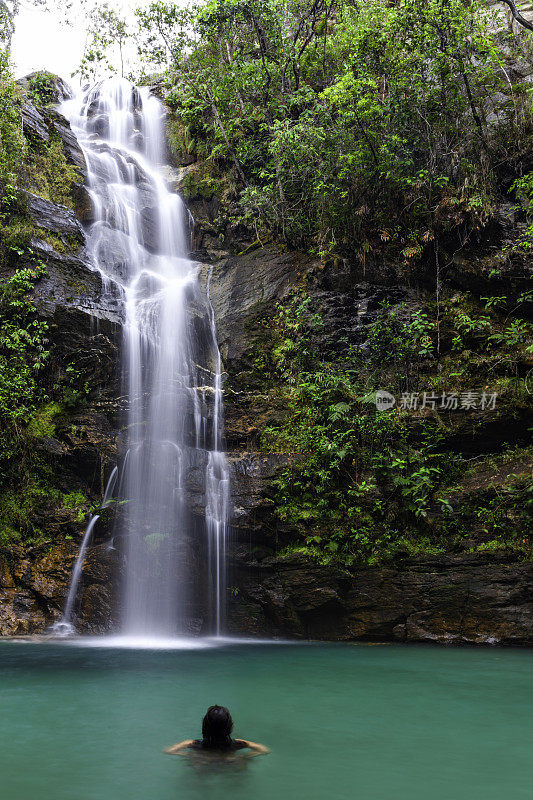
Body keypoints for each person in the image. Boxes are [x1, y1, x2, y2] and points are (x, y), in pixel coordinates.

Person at [164, 705, 269, 756]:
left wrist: (190, 755)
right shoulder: (238, 744)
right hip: (229, 768)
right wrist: (243, 757)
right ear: (229, 727)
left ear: (204, 726)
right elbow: (264, 750)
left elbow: (169, 751)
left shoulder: (193, 744)